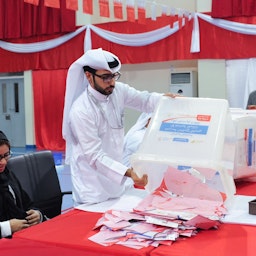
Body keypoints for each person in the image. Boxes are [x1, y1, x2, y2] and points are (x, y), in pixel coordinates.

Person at [62, 48, 176, 206]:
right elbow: (94, 157)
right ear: (88, 76)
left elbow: (144, 100)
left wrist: (166, 100)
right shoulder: (81, 110)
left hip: (117, 184)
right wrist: (129, 172)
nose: (112, 82)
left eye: (114, 76)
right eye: (105, 77)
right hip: (93, 188)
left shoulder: (118, 91)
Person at [0, 131, 45, 238]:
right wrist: (6, 227)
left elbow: (27, 203)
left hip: (21, 237)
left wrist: (37, 214)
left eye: (6, 155)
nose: (3, 162)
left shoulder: (8, 176)